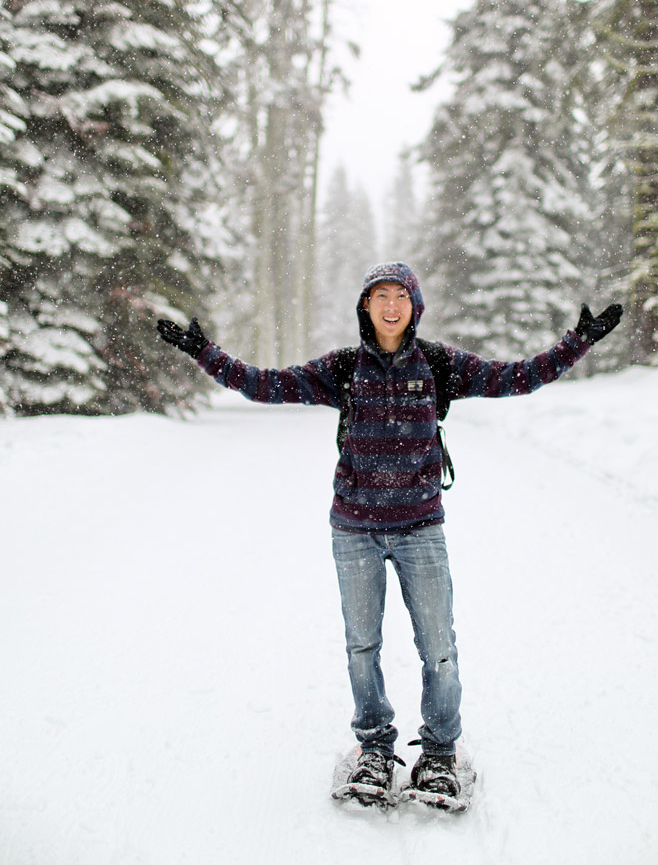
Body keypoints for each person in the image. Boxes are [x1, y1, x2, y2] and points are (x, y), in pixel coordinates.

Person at [157, 261, 622, 801]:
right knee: (362, 647)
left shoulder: (440, 365)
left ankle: (441, 754)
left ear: (414, 305)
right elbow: (266, 385)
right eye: (381, 295)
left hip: (420, 528)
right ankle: (374, 749)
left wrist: (577, 343)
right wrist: (203, 352)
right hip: (354, 529)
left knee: (439, 647)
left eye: (401, 294)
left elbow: (515, 376)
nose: (391, 304)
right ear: (367, 306)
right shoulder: (344, 368)